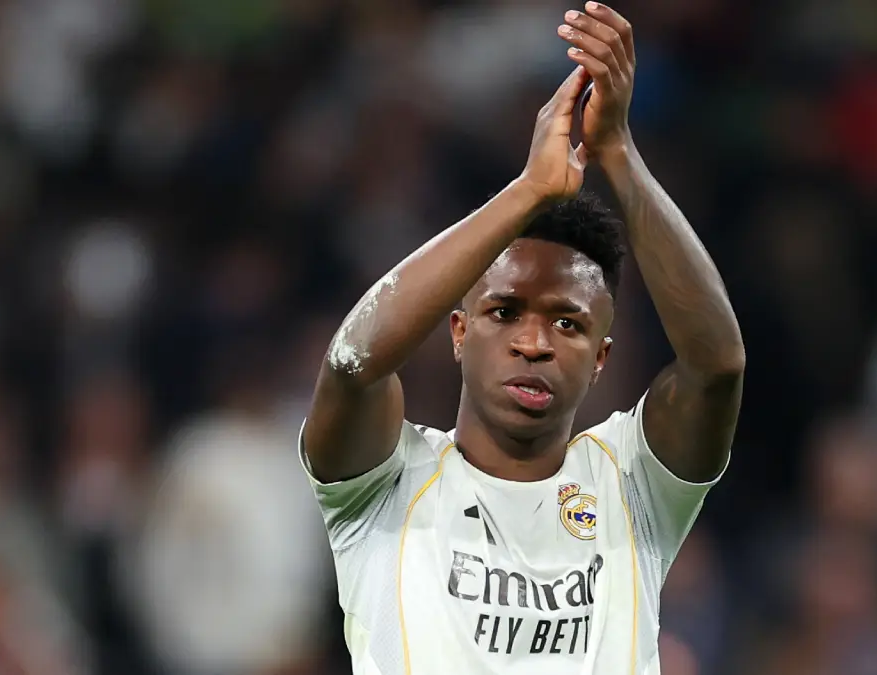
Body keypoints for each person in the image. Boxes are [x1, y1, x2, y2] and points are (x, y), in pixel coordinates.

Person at [299, 4, 745, 673]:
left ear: (601, 359)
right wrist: (528, 191)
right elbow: (353, 365)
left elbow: (717, 365)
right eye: (505, 311)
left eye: (567, 323)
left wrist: (617, 153)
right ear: (457, 330)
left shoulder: (631, 484)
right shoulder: (387, 483)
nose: (534, 341)